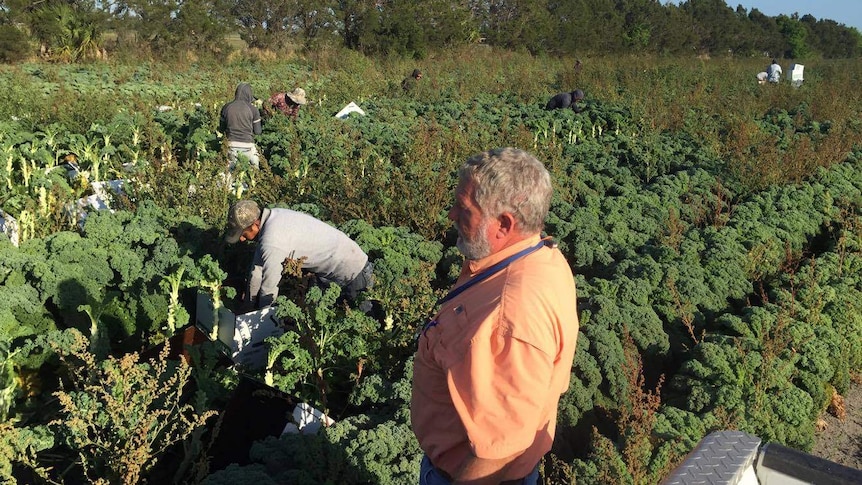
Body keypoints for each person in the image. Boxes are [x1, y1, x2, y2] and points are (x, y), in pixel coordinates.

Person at [411, 148, 579, 485]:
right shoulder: (538, 255)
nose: (451, 214)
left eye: (465, 209)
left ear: (503, 225)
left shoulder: (512, 313)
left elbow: (500, 450)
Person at [224, 200, 373, 310]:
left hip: (353, 273)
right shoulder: (274, 217)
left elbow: (269, 288)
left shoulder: (273, 240)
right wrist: (247, 307)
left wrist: (260, 319)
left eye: (243, 234)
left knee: (364, 326)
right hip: (333, 269)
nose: (242, 239)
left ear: (255, 224)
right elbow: (257, 272)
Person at [219, 83, 262, 170]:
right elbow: (258, 132)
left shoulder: (226, 107)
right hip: (248, 147)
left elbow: (221, 129)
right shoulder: (253, 109)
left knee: (230, 174)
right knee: (253, 174)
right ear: (249, 96)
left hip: (231, 146)